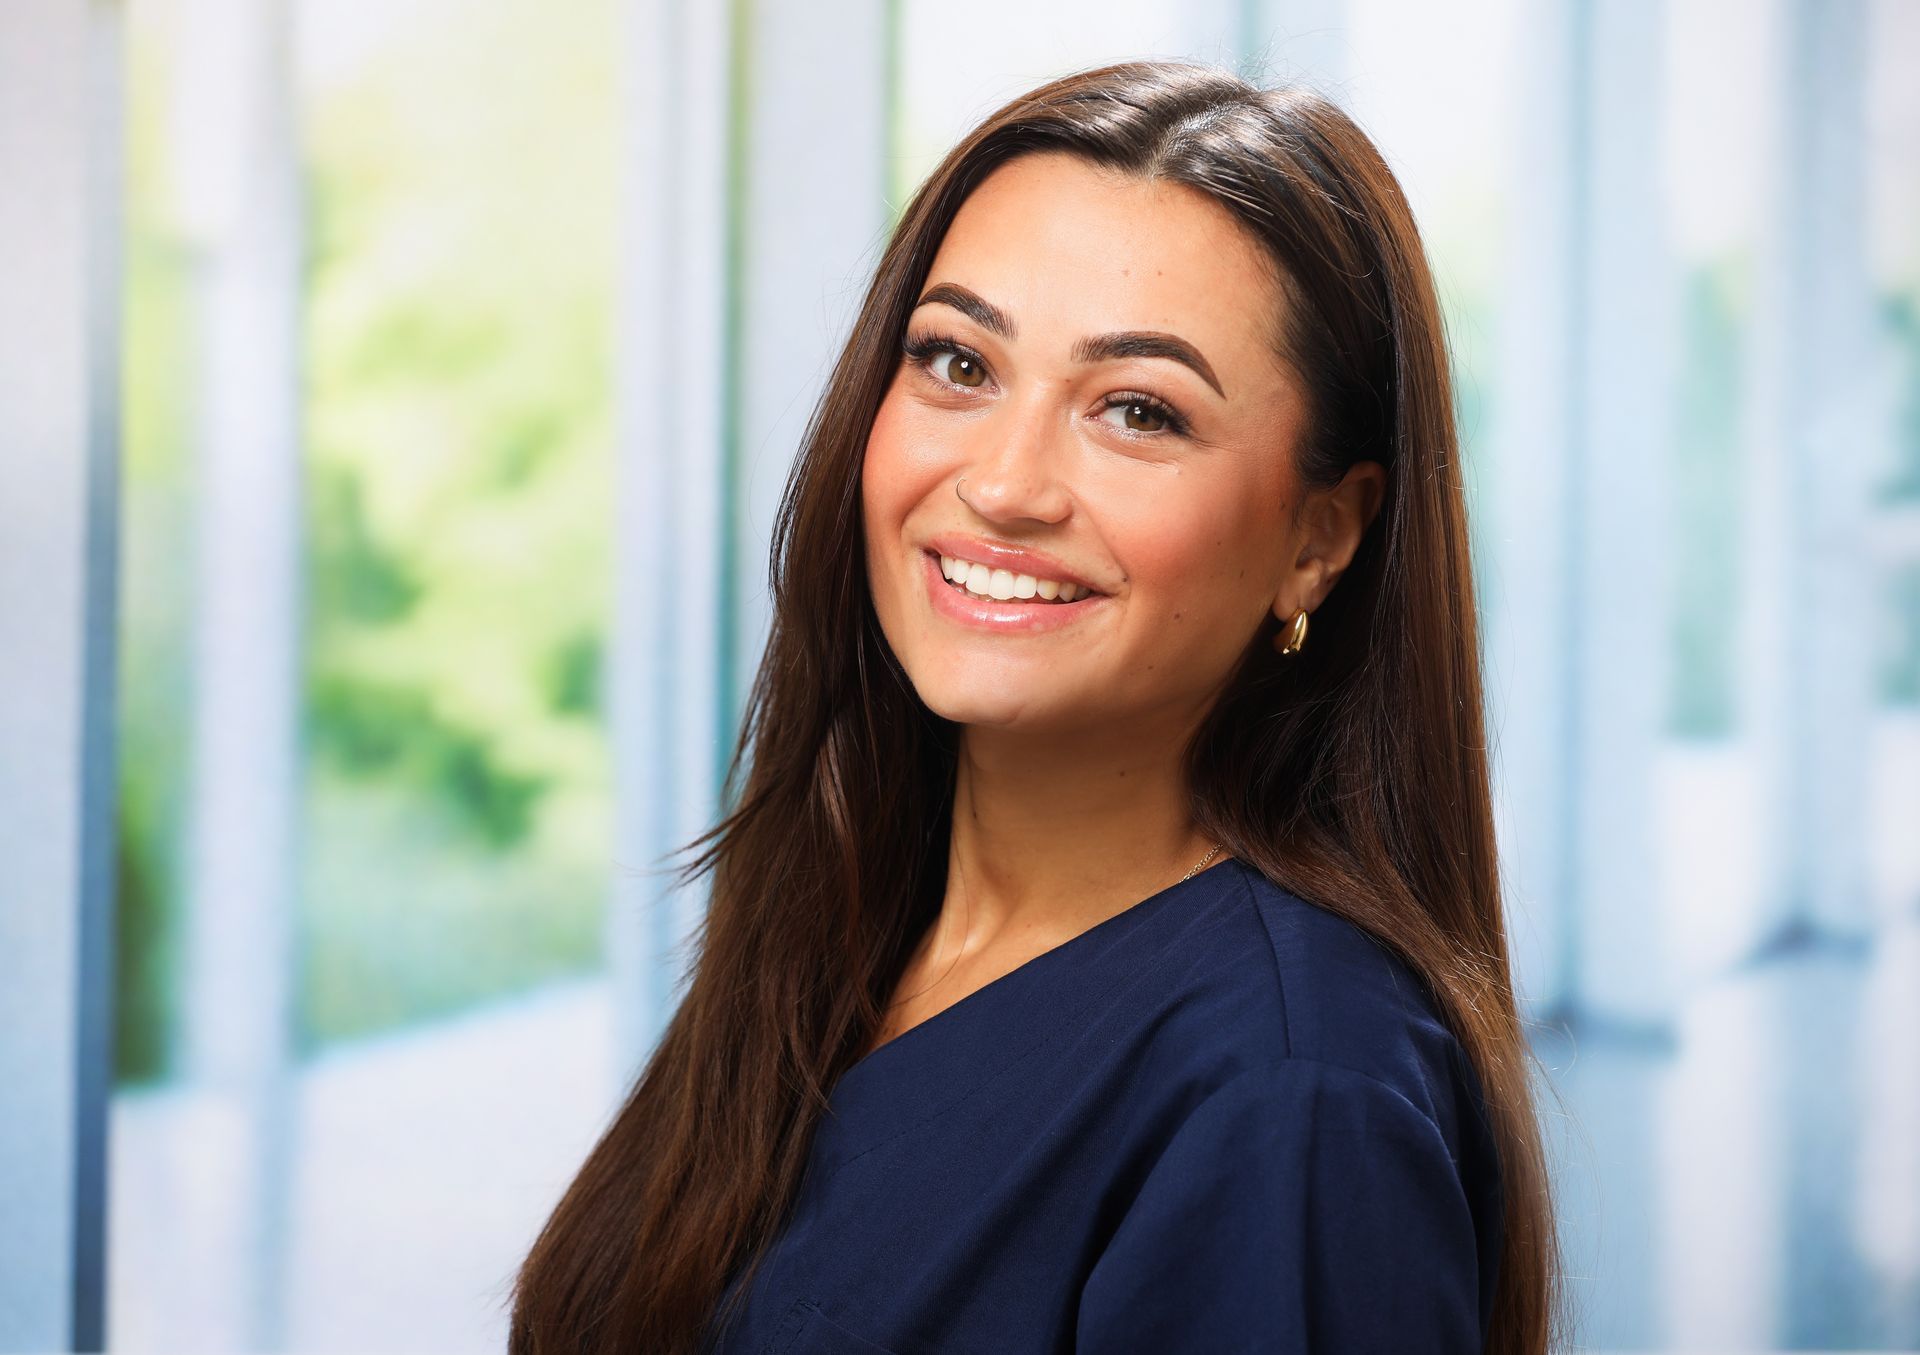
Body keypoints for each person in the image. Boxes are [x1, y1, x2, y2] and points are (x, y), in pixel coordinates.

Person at [510, 58, 1566, 1355]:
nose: (1006, 485)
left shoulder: (1294, 1095)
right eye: (958, 360)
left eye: (1137, 410)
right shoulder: (842, 921)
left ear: (1319, 537)